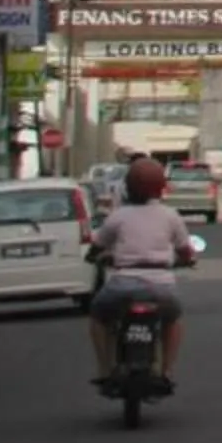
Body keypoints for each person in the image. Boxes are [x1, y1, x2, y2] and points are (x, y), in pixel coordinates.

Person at [86, 157, 196, 391]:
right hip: (161, 287)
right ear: (161, 187)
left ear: (127, 186)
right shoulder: (170, 215)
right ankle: (166, 371)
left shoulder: (118, 216)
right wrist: (187, 260)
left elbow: (98, 245)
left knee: (98, 316)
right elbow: (186, 251)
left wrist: (94, 256)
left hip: (121, 285)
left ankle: (105, 369)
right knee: (172, 319)